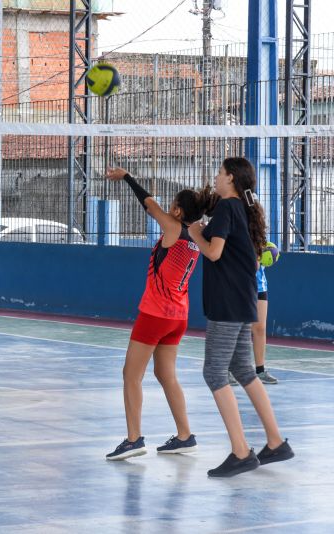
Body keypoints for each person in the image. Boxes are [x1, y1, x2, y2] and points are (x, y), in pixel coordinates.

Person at [188, 157, 294, 478]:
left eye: (219, 173)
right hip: (243, 299)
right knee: (244, 370)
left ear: (231, 178)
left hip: (228, 303)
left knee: (214, 373)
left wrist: (194, 232)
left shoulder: (226, 207)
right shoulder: (242, 210)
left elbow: (214, 252)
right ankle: (275, 442)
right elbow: (228, 247)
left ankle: (241, 451)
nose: (216, 178)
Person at [104, 168, 213, 461]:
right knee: (166, 375)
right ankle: (184, 435)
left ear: (177, 209)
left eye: (173, 205)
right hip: (178, 317)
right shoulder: (197, 234)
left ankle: (133, 439)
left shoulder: (174, 228)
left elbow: (148, 204)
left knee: (130, 375)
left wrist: (127, 177)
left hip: (156, 314)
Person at [229, 264, 278, 386]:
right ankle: (228, 369)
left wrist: (269, 256)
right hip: (239, 284)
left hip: (260, 285)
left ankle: (260, 371)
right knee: (236, 327)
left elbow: (262, 262)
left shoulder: (264, 244)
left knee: (260, 328)